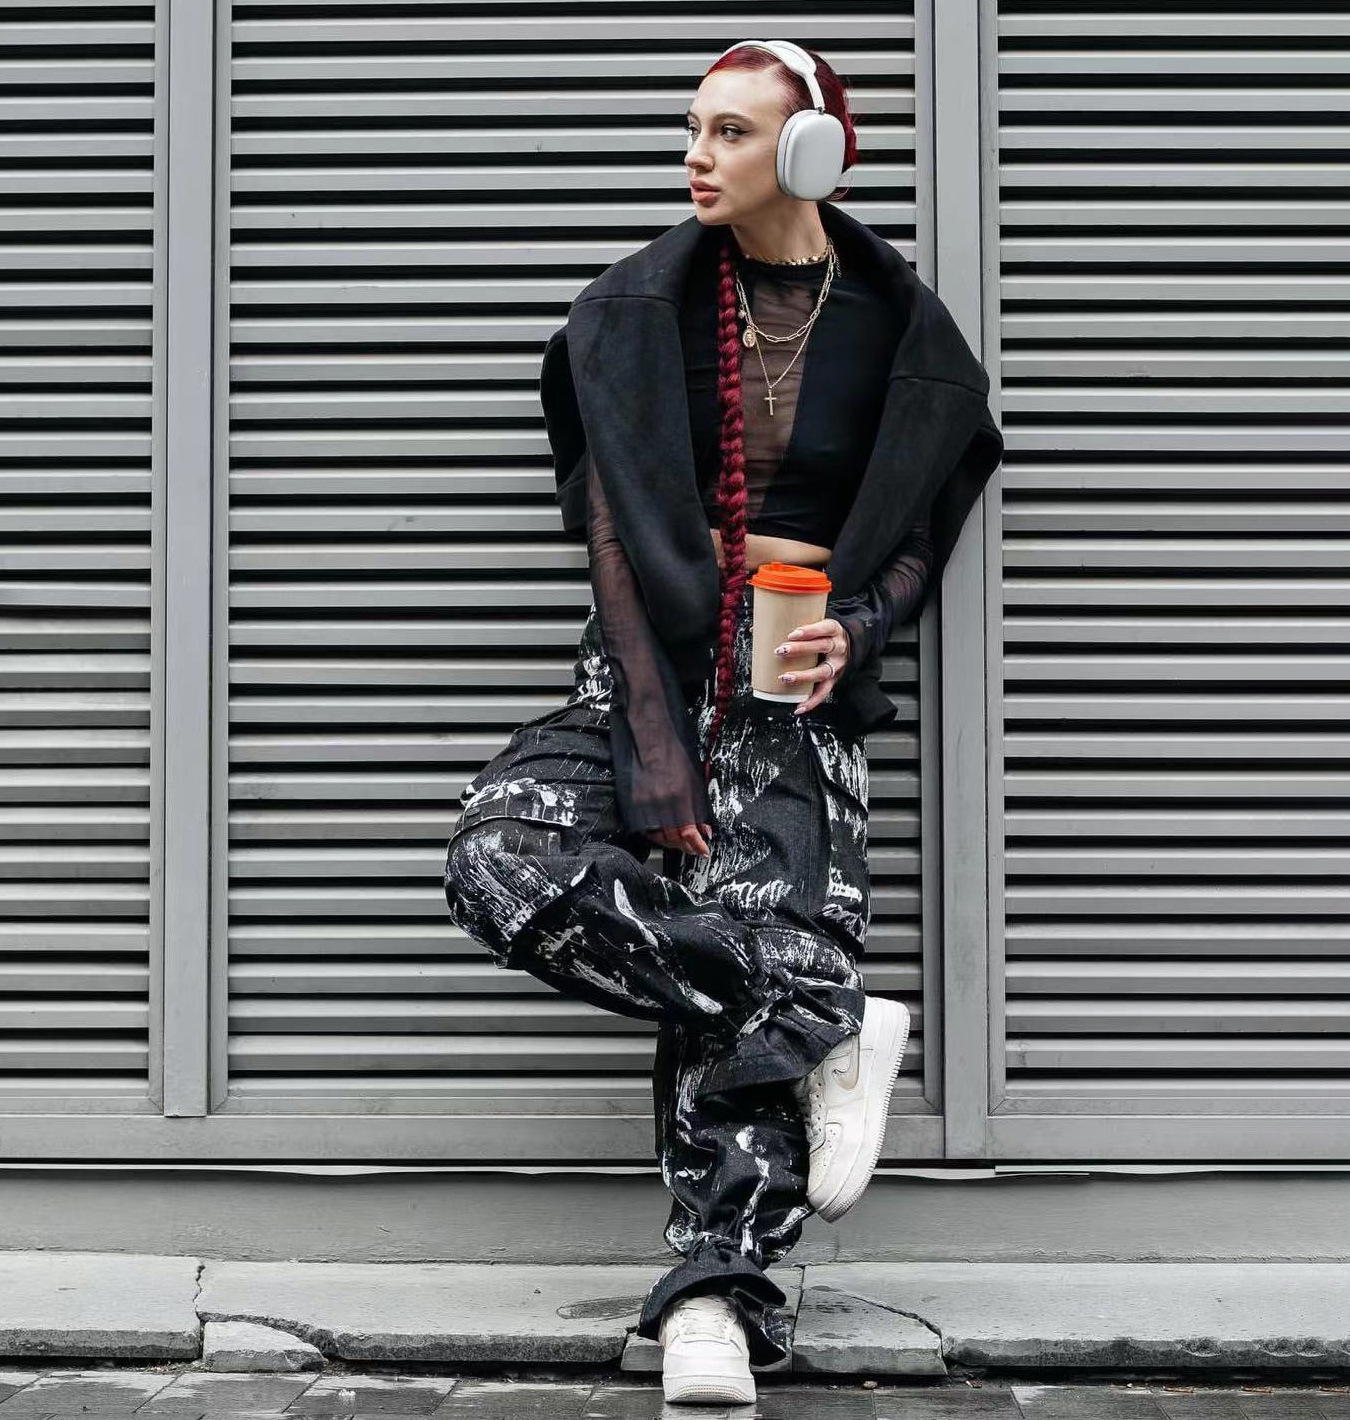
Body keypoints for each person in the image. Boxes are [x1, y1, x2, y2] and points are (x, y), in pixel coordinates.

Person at [444, 38, 1002, 1408]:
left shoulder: (900, 330)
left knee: (766, 916)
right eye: (695, 127)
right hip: (644, 666)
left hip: (795, 689)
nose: (698, 155)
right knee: (501, 859)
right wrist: (650, 738)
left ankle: (715, 1301)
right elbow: (609, 536)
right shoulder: (633, 312)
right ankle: (820, 1017)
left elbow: (921, 529)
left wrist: (859, 629)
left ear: (811, 152)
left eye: (734, 132)